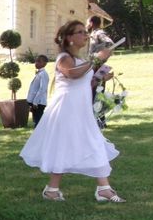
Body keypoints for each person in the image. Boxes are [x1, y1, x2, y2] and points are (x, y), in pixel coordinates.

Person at [20, 20, 125, 203]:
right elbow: (72, 73)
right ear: (69, 38)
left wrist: (100, 78)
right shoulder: (63, 58)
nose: (85, 35)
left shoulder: (82, 61)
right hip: (66, 109)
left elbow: (85, 82)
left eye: (85, 32)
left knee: (94, 142)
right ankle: (53, 189)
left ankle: (103, 188)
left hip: (81, 109)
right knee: (64, 146)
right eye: (80, 32)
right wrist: (97, 59)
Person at [26, 55, 50, 127]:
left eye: (39, 61)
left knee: (39, 122)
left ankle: (40, 136)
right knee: (36, 121)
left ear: (44, 64)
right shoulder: (39, 73)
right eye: (36, 61)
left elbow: (42, 89)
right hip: (35, 103)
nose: (36, 63)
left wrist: (35, 102)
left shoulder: (43, 74)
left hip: (39, 103)